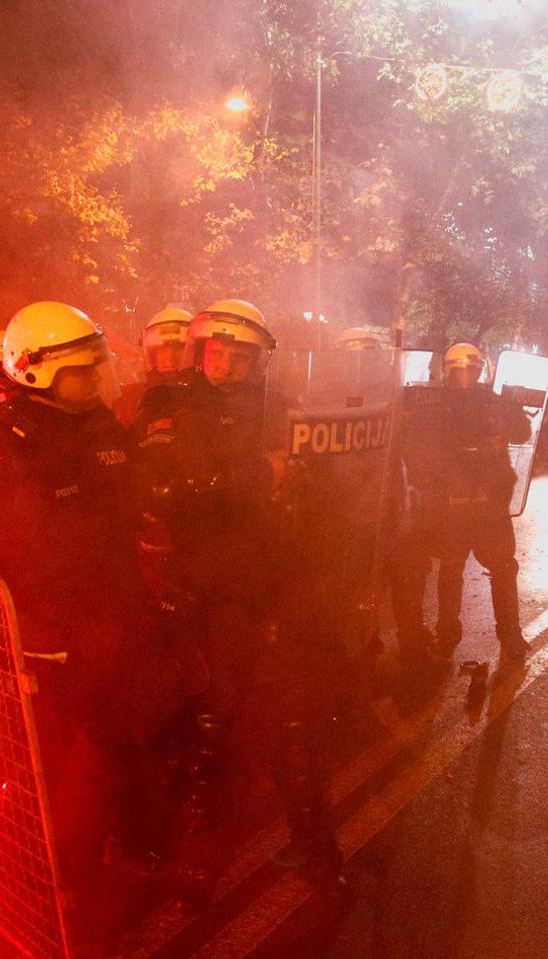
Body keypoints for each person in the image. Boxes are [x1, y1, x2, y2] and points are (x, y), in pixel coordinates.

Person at [0, 301, 181, 943]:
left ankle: (111, 864)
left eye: (98, 369)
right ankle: (33, 893)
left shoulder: (98, 426)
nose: (96, 382)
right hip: (39, 643)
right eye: (82, 372)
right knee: (41, 774)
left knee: (116, 746)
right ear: (33, 370)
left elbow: (131, 508)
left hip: (112, 626)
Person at [132, 298, 343, 901]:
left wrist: (301, 478)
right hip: (192, 579)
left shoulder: (279, 408)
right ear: (200, 352)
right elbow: (165, 484)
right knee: (206, 713)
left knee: (281, 709)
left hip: (269, 576)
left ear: (260, 361)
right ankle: (194, 848)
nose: (226, 365)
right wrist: (256, 473)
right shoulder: (167, 401)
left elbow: (311, 476)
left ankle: (313, 842)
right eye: (216, 352)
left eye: (240, 355)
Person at [390, 342, 533, 667]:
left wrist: (511, 413)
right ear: (448, 371)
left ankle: (509, 635)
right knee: (452, 568)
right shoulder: (434, 404)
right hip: (452, 504)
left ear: (480, 371)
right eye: (459, 370)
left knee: (502, 569)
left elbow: (522, 431)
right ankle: (448, 632)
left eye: (471, 370)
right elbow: (417, 448)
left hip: (489, 504)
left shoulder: (494, 402)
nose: (465, 376)